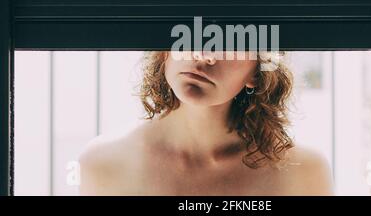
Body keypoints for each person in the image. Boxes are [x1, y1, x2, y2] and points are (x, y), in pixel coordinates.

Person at [78, 51, 334, 195]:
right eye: (189, 28)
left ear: (257, 71)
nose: (203, 54)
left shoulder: (302, 172)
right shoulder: (105, 164)